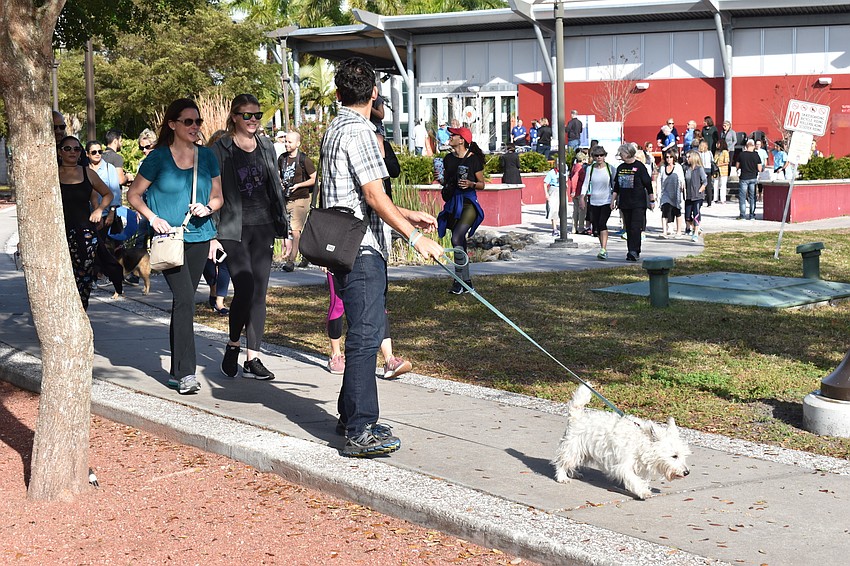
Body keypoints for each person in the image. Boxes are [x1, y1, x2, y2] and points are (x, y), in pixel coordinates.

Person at [321, 57, 443, 457]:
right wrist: (413, 236)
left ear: (339, 93)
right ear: (373, 93)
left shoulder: (336, 128)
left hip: (342, 244)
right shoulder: (360, 131)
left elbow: (357, 194)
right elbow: (373, 195)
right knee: (367, 337)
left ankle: (348, 416)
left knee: (361, 332)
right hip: (362, 249)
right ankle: (360, 429)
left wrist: (406, 213)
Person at [127, 98, 223, 395]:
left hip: (199, 237)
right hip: (169, 240)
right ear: (173, 124)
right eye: (188, 122)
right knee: (184, 300)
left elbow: (219, 197)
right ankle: (186, 374)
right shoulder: (157, 158)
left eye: (198, 123)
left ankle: (175, 371)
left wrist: (207, 208)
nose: (195, 127)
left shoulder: (207, 157)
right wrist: (153, 218)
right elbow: (133, 195)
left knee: (183, 303)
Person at [212, 93, 288, 381]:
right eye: (247, 115)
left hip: (264, 225)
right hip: (232, 228)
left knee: (259, 293)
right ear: (235, 117)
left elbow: (275, 187)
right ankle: (233, 343)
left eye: (257, 115)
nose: (254, 120)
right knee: (243, 288)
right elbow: (212, 190)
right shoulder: (220, 149)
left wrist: (285, 227)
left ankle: (252, 358)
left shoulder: (266, 145)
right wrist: (213, 235)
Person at [58, 135, 114, 309]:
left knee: (83, 279)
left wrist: (98, 210)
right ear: (60, 152)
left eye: (76, 149)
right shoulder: (52, 174)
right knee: (62, 277)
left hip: (84, 234)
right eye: (68, 148)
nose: (73, 152)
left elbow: (108, 194)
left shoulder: (87, 173)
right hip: (59, 233)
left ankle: (81, 312)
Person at [439, 125, 486, 294]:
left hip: (469, 203)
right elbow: (447, 181)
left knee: (457, 237)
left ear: (462, 140)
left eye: (453, 135)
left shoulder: (474, 159)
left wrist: (471, 184)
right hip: (453, 203)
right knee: (459, 241)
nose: (450, 137)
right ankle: (466, 283)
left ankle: (459, 282)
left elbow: (482, 184)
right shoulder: (448, 159)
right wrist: (441, 179)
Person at [278, 130, 317, 272]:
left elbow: (314, 179)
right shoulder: (282, 158)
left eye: (290, 142)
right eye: (286, 141)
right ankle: (307, 254)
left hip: (301, 198)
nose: (287, 144)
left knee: (295, 230)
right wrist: (281, 183)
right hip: (287, 198)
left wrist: (299, 185)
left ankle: (291, 261)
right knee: (291, 229)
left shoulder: (304, 160)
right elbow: (279, 175)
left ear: (298, 143)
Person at [612, 143, 654, 262]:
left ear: (627, 153)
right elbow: (616, 186)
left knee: (636, 227)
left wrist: (652, 200)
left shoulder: (639, 167)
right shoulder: (621, 168)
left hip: (638, 203)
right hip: (625, 203)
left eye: (622, 153)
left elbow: (648, 184)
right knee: (629, 228)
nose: (620, 155)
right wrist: (613, 200)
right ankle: (631, 249)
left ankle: (634, 251)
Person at [580, 145, 615, 259]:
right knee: (596, 227)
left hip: (606, 201)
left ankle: (604, 248)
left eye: (601, 155)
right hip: (594, 201)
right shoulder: (590, 169)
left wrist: (614, 199)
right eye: (597, 155)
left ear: (605, 156)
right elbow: (585, 184)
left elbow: (615, 185)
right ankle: (602, 248)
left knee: (602, 223)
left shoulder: (610, 168)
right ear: (593, 157)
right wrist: (582, 198)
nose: (599, 157)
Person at [658, 150, 685, 238]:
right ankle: (664, 231)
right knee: (665, 210)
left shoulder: (678, 167)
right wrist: (657, 193)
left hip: (676, 192)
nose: (669, 159)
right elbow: (659, 180)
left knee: (677, 211)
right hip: (665, 193)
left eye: (670, 157)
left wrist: (682, 188)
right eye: (667, 157)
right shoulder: (663, 168)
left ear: (674, 158)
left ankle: (678, 231)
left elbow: (681, 179)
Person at [735, 139, 762, 221]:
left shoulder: (741, 154)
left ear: (746, 146)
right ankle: (752, 215)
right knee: (752, 197)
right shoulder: (756, 155)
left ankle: (742, 215)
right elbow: (760, 168)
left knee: (742, 197)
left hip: (743, 177)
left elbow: (737, 166)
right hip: (753, 177)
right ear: (753, 146)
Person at [683, 150, 707, 242]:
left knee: (696, 213)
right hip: (688, 195)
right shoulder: (686, 168)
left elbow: (705, 181)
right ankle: (693, 226)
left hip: (697, 196)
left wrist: (701, 189)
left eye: (689, 157)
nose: (687, 159)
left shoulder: (699, 168)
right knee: (687, 216)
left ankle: (696, 232)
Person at [204, 239, 231, 315]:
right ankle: (213, 290)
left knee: (225, 263)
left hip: (224, 233)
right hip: (208, 232)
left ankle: (219, 302)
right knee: (209, 263)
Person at [569, 151, 588, 236]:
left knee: (575, 210)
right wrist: (574, 189)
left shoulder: (574, 167)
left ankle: (574, 227)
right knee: (582, 210)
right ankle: (580, 228)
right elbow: (574, 179)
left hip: (575, 192)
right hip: (580, 191)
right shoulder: (580, 168)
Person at [543, 163, 560, 237]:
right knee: (553, 210)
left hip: (561, 190)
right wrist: (546, 194)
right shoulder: (551, 173)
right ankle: (554, 229)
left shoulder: (563, 172)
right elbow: (545, 183)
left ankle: (562, 228)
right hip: (553, 190)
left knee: (562, 210)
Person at [697, 140, 715, 206]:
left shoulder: (698, 153)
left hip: (701, 169)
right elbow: (712, 161)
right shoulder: (709, 153)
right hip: (708, 170)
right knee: (708, 186)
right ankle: (709, 202)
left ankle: (700, 200)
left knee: (701, 185)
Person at [713, 138, 730, 204]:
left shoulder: (725, 152)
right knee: (715, 184)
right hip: (716, 170)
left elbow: (727, 162)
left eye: (718, 144)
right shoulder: (716, 152)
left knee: (723, 184)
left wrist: (719, 164)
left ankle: (723, 199)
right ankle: (715, 198)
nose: (717, 145)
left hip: (723, 170)